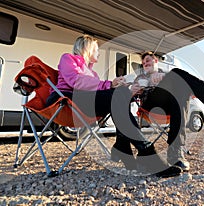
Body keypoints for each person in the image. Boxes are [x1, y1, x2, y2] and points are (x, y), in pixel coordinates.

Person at [46, 35, 183, 178]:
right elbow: (77, 81)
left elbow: (97, 90)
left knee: (120, 94)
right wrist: (109, 84)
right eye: (97, 49)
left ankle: (125, 148)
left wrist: (121, 86)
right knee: (118, 95)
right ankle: (142, 154)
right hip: (65, 100)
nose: (99, 53)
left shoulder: (92, 73)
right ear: (88, 48)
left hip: (82, 102)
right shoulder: (68, 58)